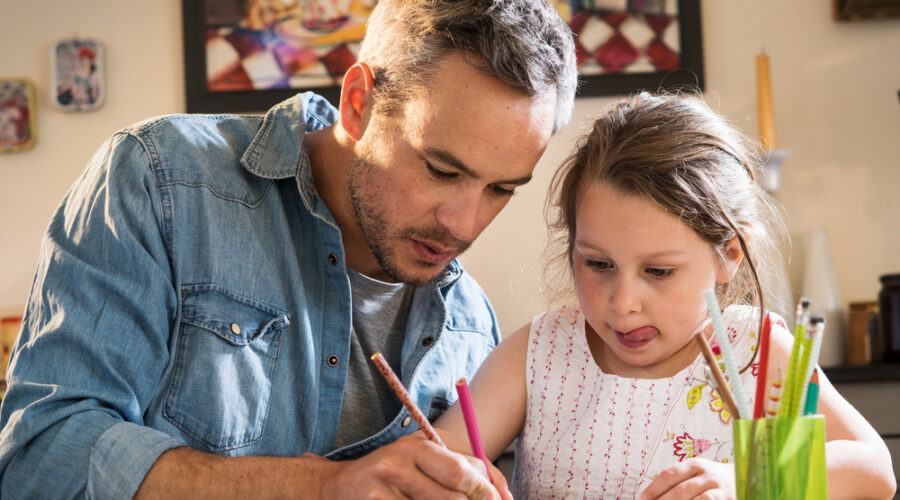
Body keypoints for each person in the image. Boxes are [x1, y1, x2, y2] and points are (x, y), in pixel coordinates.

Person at [0, 0, 577, 498]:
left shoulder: (473, 328)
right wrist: (320, 487)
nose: (463, 225)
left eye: (501, 189)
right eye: (441, 170)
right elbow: (41, 458)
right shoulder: (161, 179)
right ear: (359, 102)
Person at [434, 92, 897, 499]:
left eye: (658, 271)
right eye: (598, 264)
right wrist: (452, 483)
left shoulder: (755, 351)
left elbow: (874, 471)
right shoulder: (538, 353)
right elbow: (434, 464)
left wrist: (749, 483)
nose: (623, 303)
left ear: (729, 254)